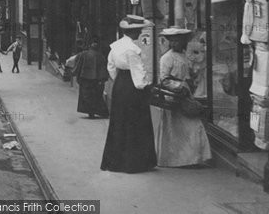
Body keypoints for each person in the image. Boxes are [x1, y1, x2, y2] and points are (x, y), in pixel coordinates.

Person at [101, 15, 157, 173]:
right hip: (132, 87)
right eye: (138, 30)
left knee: (119, 121)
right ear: (132, 32)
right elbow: (139, 77)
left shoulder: (116, 46)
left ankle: (116, 161)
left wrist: (119, 81)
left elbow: (111, 67)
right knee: (136, 123)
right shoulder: (132, 49)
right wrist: (147, 86)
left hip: (120, 84)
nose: (140, 33)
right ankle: (135, 163)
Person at [156, 27, 211, 167]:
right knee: (180, 130)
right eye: (172, 41)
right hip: (174, 98)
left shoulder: (185, 56)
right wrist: (179, 86)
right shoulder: (166, 58)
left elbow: (189, 72)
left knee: (191, 128)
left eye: (178, 41)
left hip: (186, 96)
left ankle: (191, 159)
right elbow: (163, 79)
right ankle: (179, 160)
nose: (175, 44)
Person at [73, 36, 109, 119]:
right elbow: (103, 69)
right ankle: (100, 112)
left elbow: (78, 65)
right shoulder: (100, 56)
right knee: (96, 96)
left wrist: (75, 74)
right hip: (97, 79)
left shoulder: (83, 54)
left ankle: (90, 112)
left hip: (85, 78)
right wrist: (103, 79)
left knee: (86, 96)